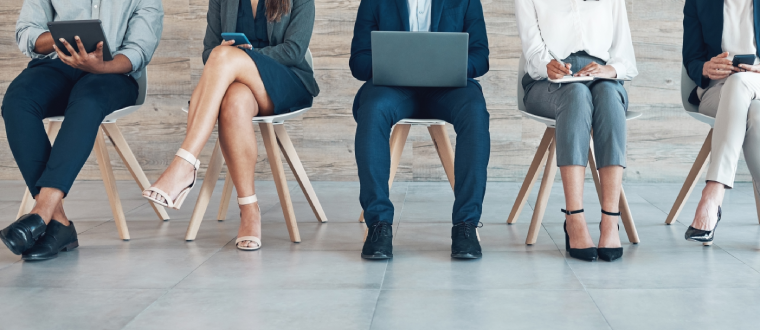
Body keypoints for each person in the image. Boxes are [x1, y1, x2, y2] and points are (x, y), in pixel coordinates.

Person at [142, 0, 319, 251]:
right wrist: (230, 56)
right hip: (240, 84)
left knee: (223, 56)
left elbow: (294, 51)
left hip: (286, 81)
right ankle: (249, 211)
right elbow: (208, 52)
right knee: (233, 102)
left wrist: (240, 56)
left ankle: (185, 164)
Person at [0, 0, 163, 261]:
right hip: (57, 65)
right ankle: (59, 222)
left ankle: (41, 212)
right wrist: (61, 43)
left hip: (114, 74)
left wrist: (101, 67)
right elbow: (26, 32)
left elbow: (139, 49)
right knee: (17, 102)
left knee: (87, 102)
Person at [350, 0, 491, 260]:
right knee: (373, 110)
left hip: (448, 88)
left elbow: (480, 57)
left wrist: (451, 67)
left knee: (475, 111)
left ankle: (466, 226)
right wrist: (390, 64)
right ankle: (379, 225)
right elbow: (358, 61)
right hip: (393, 88)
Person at [515, 0, 638, 262]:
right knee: (576, 95)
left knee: (607, 95)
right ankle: (574, 218)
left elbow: (625, 56)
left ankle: (610, 221)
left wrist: (609, 69)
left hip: (601, 76)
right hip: (548, 81)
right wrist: (548, 65)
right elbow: (533, 50)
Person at [683, 0, 760, 254]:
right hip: (719, 92)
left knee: (743, 84)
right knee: (754, 110)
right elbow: (691, 57)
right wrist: (704, 68)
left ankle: (713, 194)